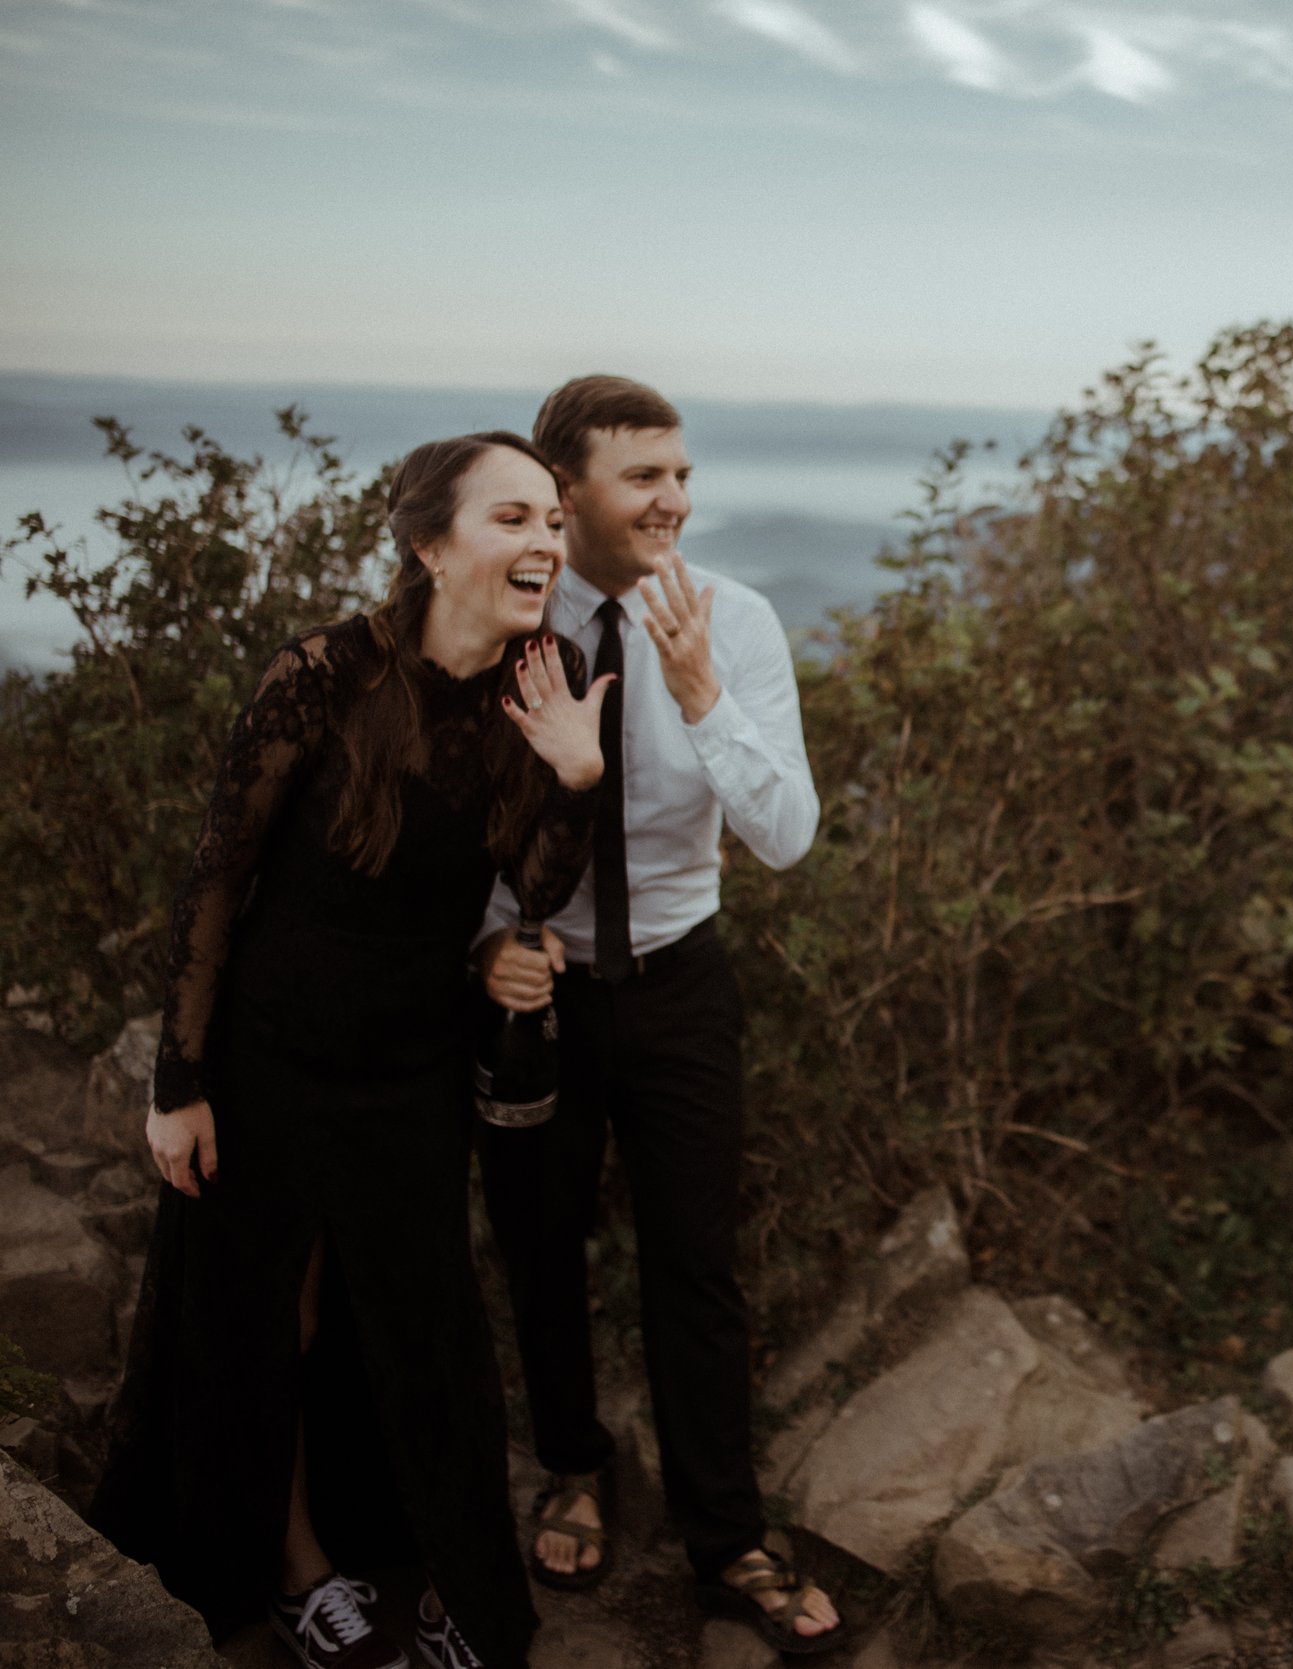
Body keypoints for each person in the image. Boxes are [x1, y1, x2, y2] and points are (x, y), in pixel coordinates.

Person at [90, 433, 612, 1669]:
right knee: (267, 1316)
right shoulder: (323, 672)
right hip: (269, 1053)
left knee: (424, 1327)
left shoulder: (553, 672)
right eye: (512, 518)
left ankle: (454, 1596)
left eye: (551, 518)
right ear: (429, 545)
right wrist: (181, 1082)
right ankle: (290, 1570)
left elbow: (533, 886)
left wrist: (577, 776)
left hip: (409, 1065)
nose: (544, 541)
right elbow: (220, 877)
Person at [469, 375, 835, 1652]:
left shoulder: (735, 622)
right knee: (540, 1247)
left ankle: (725, 1532)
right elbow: (449, 829)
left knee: (696, 1262)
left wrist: (700, 698)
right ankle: (573, 1464)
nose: (675, 498)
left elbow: (785, 836)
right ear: (566, 495)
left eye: (681, 474)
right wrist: (483, 953)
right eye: (645, 478)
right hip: (542, 991)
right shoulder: (499, 629)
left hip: (682, 981)